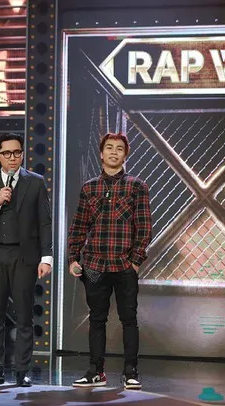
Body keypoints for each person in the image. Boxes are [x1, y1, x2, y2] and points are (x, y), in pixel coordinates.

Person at [67, 133, 152, 389]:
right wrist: (73, 258)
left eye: (119, 149)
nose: (114, 152)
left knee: (129, 319)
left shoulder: (137, 186)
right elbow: (79, 226)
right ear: (101, 154)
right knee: (96, 319)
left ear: (125, 155)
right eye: (109, 148)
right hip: (94, 265)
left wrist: (135, 262)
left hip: (124, 265)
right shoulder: (89, 188)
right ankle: (96, 371)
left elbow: (144, 228)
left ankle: (130, 372)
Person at [0, 133, 52, 387]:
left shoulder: (35, 182)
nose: (13, 158)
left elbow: (45, 222)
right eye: (7, 153)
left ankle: (21, 371)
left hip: (23, 256)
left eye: (17, 152)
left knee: (24, 316)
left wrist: (46, 257)